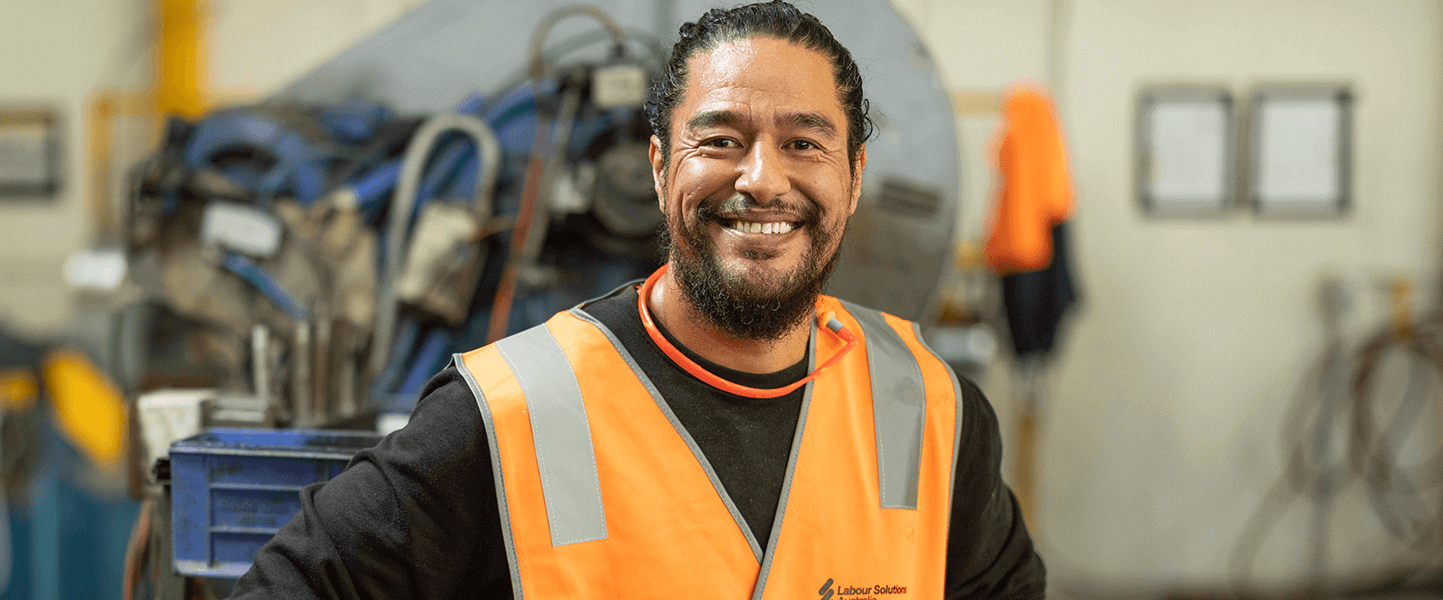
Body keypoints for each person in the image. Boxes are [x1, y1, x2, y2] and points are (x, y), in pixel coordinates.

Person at [229, 2, 1045, 598]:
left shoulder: (931, 412)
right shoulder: (517, 412)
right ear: (659, 169)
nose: (763, 179)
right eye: (721, 140)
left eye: (804, 142)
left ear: (854, 177)